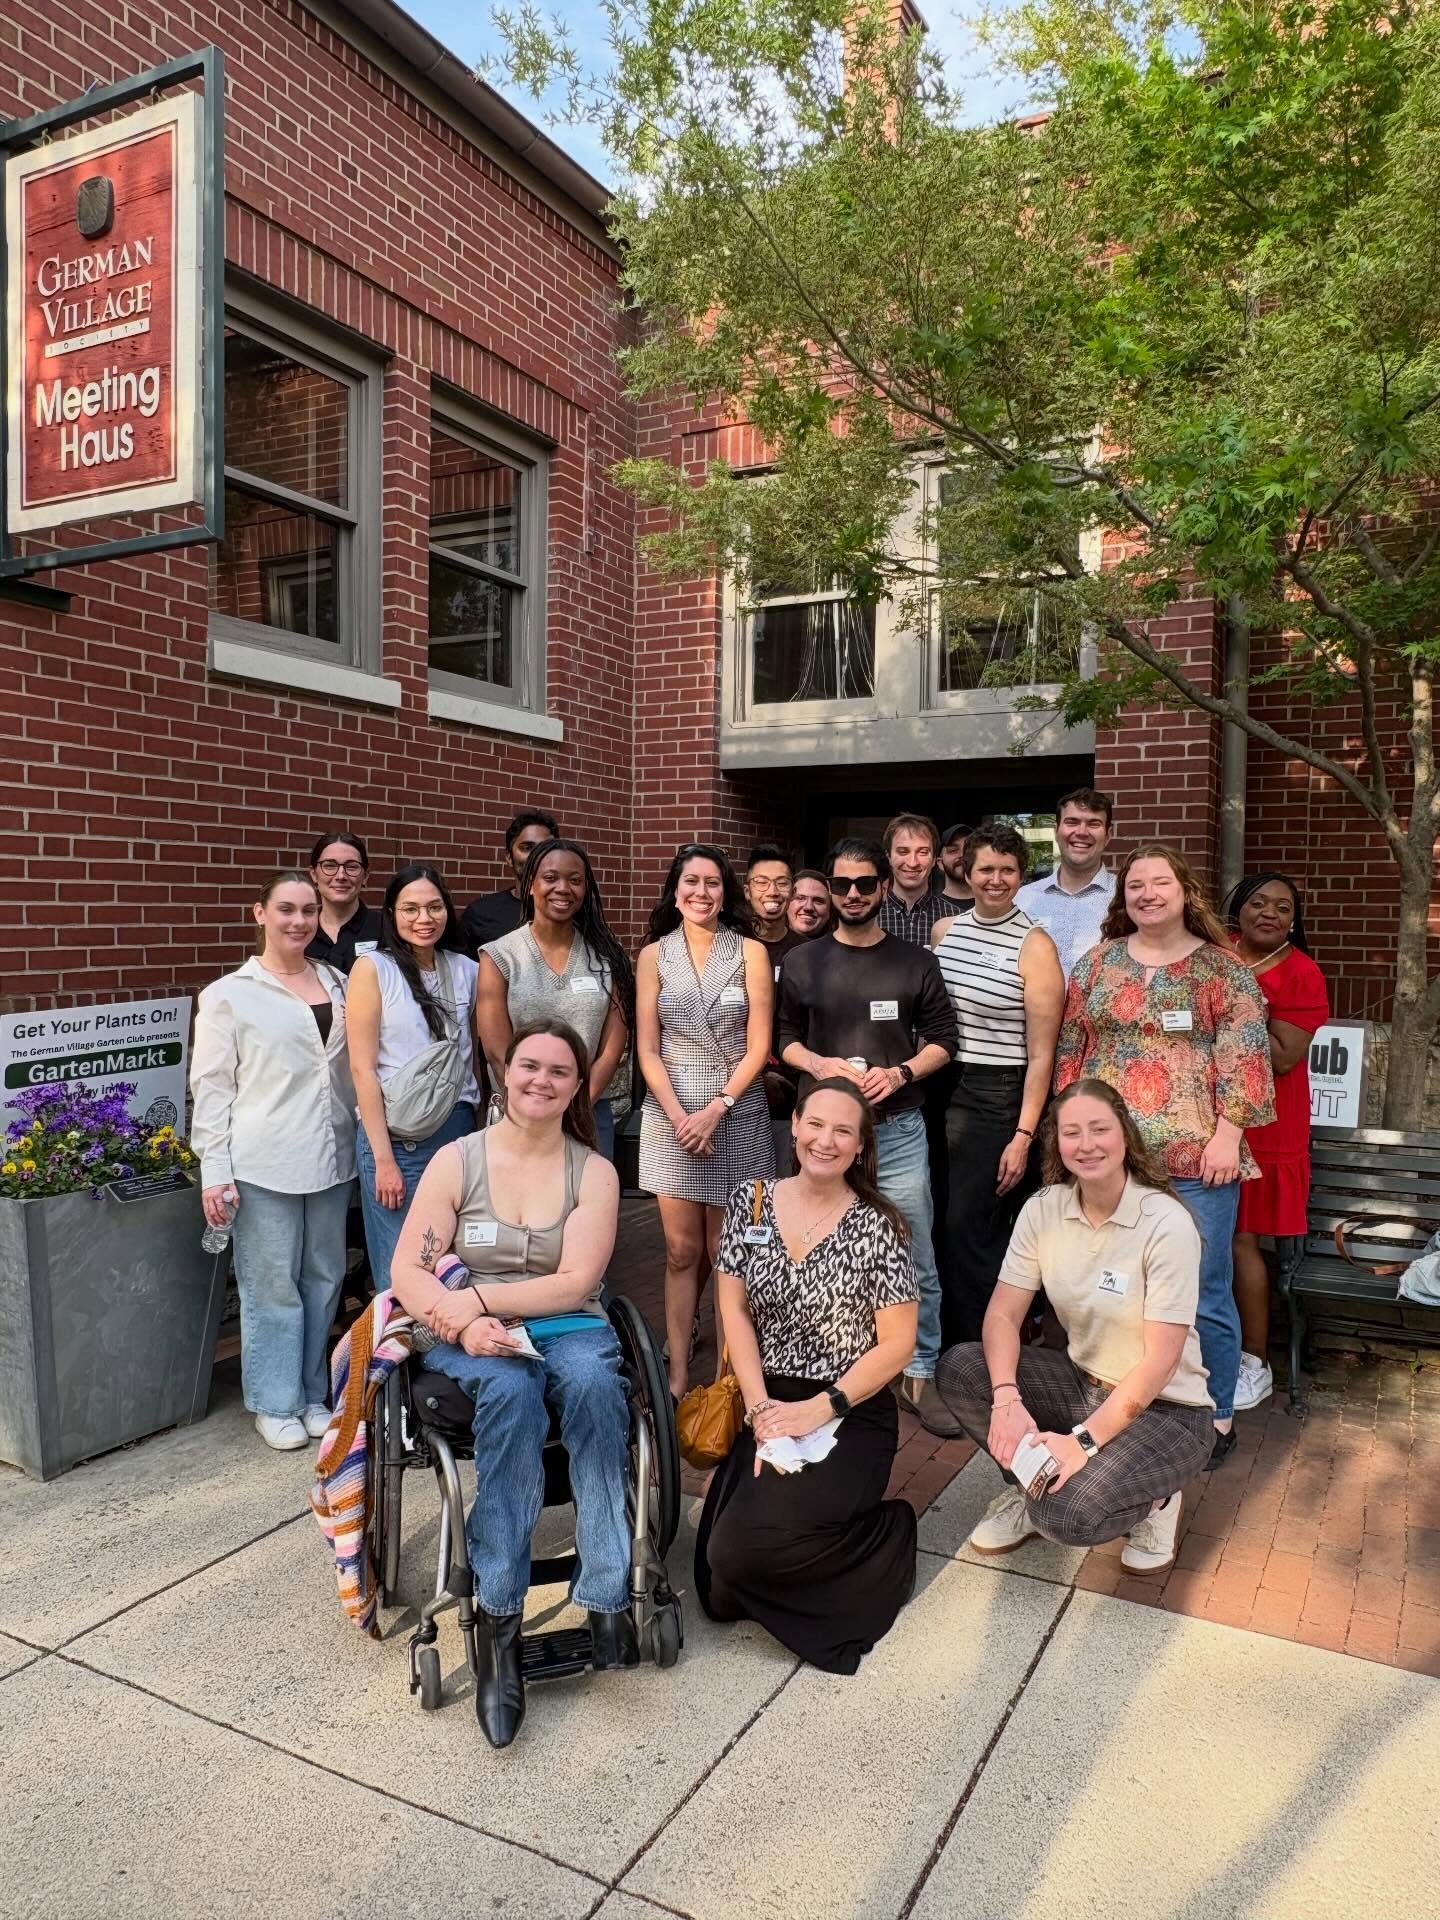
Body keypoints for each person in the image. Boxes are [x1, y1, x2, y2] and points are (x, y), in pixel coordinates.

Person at [390, 1020, 627, 1748]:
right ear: (505, 1073)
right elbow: (408, 1270)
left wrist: (483, 1302)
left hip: (563, 1324)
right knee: (513, 1393)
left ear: (576, 1087)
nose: (541, 1080)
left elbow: (578, 1281)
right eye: (529, 1066)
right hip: (469, 1337)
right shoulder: (459, 1162)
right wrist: (459, 1323)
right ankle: (498, 1618)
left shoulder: (593, 1172)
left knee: (591, 1383)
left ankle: (607, 1587)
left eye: (560, 1071)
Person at [935, 1079, 1214, 1577]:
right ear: (1056, 1144)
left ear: (1124, 1135)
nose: (1087, 1145)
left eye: (1100, 1129)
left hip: (1169, 1410)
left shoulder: (1165, 1223)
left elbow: (1161, 1360)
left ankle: (1158, 1500)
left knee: (1064, 1518)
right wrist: (1006, 1400)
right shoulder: (1044, 1208)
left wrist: (1081, 1443)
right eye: (1072, 1133)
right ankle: (1034, 1482)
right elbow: (1002, 1314)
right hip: (1083, 1385)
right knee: (962, 1368)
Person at [1056, 842, 1275, 1467]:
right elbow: (1072, 1053)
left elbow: (1246, 1057)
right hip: (1109, 1161)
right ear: (1122, 899)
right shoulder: (1095, 966)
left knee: (1204, 1289)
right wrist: (1070, 1131)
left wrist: (1229, 1136)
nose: (1148, 894)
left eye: (1160, 884)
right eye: (1135, 887)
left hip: (1197, 1159)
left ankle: (1220, 1414)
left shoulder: (1220, 970)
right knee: (1120, 1287)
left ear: (1184, 893)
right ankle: (1134, 1401)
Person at [697, 1078, 920, 1673]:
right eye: (815, 1124)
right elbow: (733, 1312)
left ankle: (889, 1535)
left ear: (860, 1147)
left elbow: (899, 1345)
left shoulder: (879, 1226)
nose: (826, 1140)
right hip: (767, 1397)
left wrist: (820, 1409)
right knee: (719, 1591)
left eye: (843, 1130)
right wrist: (759, 1409)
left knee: (738, 1556)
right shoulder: (750, 1200)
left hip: (847, 1408)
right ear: (793, 1125)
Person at [777, 837, 957, 1433]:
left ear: (884, 888)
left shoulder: (914, 961)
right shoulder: (804, 961)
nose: (851, 894)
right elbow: (783, 1038)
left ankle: (921, 1369)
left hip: (897, 1127)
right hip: (823, 1133)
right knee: (818, 1243)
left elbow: (942, 1040)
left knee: (913, 1248)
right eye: (840, 884)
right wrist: (819, 1065)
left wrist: (901, 1071)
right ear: (827, 888)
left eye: (863, 884)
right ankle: (834, 1356)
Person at [191, 873, 356, 1451]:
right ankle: (274, 1400)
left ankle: (312, 1392)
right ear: (258, 912)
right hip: (263, 1160)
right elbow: (211, 1086)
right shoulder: (230, 994)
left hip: (332, 1157)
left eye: (308, 910)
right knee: (272, 1287)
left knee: (324, 1279)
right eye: (285, 909)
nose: (298, 921)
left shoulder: (337, 982)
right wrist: (215, 1168)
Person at [637, 844, 775, 1399]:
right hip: (671, 1113)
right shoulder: (652, 956)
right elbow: (647, 1049)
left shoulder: (750, 952)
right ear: (675, 891)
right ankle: (675, 1375)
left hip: (735, 1110)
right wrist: (679, 1117)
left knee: (728, 1254)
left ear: (726, 892)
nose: (701, 892)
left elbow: (760, 1045)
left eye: (713, 883)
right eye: (691, 882)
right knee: (680, 1251)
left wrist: (715, 1110)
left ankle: (728, 1379)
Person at [932, 825, 1065, 1344]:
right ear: (967, 870)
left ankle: (979, 1351)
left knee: (975, 1228)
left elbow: (1042, 1054)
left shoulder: (1034, 945)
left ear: (1021, 875)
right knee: (942, 1219)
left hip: (997, 1094)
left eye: (1007, 870)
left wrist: (1023, 1134)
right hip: (942, 1087)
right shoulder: (946, 932)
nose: (996, 879)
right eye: (986, 868)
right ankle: (941, 1342)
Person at [1224, 872, 1330, 1410]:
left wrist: (1242, 1005)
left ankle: (1254, 1361)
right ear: (1237, 909)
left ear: (1294, 920)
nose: (1270, 913)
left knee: (1242, 1239)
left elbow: (1284, 1056)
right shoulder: (1216, 955)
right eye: (1259, 903)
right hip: (1207, 1114)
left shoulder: (1302, 972)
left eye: (1284, 908)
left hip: (1266, 1123)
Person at [347, 864, 480, 1290]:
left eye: (434, 907)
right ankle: (396, 1355)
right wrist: (384, 1160)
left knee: (453, 1262)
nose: (424, 919)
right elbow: (362, 1068)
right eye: (411, 909)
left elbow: (474, 1054)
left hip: (458, 1128)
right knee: (399, 1267)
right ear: (391, 912)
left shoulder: (466, 969)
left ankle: (443, 1356)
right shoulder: (373, 969)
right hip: (397, 1136)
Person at [477, 839, 632, 1163]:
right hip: (520, 1112)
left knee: (590, 1210)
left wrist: (577, 1106)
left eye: (575, 880)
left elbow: (611, 1048)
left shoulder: (605, 956)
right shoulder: (500, 956)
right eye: (551, 878)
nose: (563, 888)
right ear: (530, 883)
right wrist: (533, 1107)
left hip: (589, 1112)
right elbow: (496, 1049)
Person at [1015, 787, 1117, 980]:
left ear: (1108, 835)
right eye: (1072, 822)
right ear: (1056, 830)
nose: (1081, 832)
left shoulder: (1125, 898)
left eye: (1094, 824)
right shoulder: (1023, 898)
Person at [458, 809, 560, 956]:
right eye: (527, 847)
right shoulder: (481, 913)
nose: (537, 855)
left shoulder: (574, 911)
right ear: (509, 858)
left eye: (546, 848)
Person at [305, 829, 382, 973]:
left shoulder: (386, 929)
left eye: (351, 867)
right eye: (329, 865)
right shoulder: (301, 930)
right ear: (314, 874)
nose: (341, 876)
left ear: (365, 876)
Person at [878, 813, 951, 944]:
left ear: (934, 859)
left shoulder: (955, 918)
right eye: (903, 851)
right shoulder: (869, 916)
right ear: (888, 857)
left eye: (923, 852)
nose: (912, 863)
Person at [744, 843, 805, 972]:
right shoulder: (732, 946)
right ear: (747, 891)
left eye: (782, 883)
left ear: (793, 893)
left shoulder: (805, 951)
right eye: (761, 882)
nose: (772, 892)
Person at [936, 823, 974, 911]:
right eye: (953, 850)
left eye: (968, 849)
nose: (962, 855)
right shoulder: (931, 909)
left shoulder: (993, 905)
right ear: (940, 863)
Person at [787, 868, 833, 938]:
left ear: (829, 910)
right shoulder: (764, 947)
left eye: (818, 901)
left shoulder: (841, 948)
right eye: (800, 898)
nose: (808, 907)